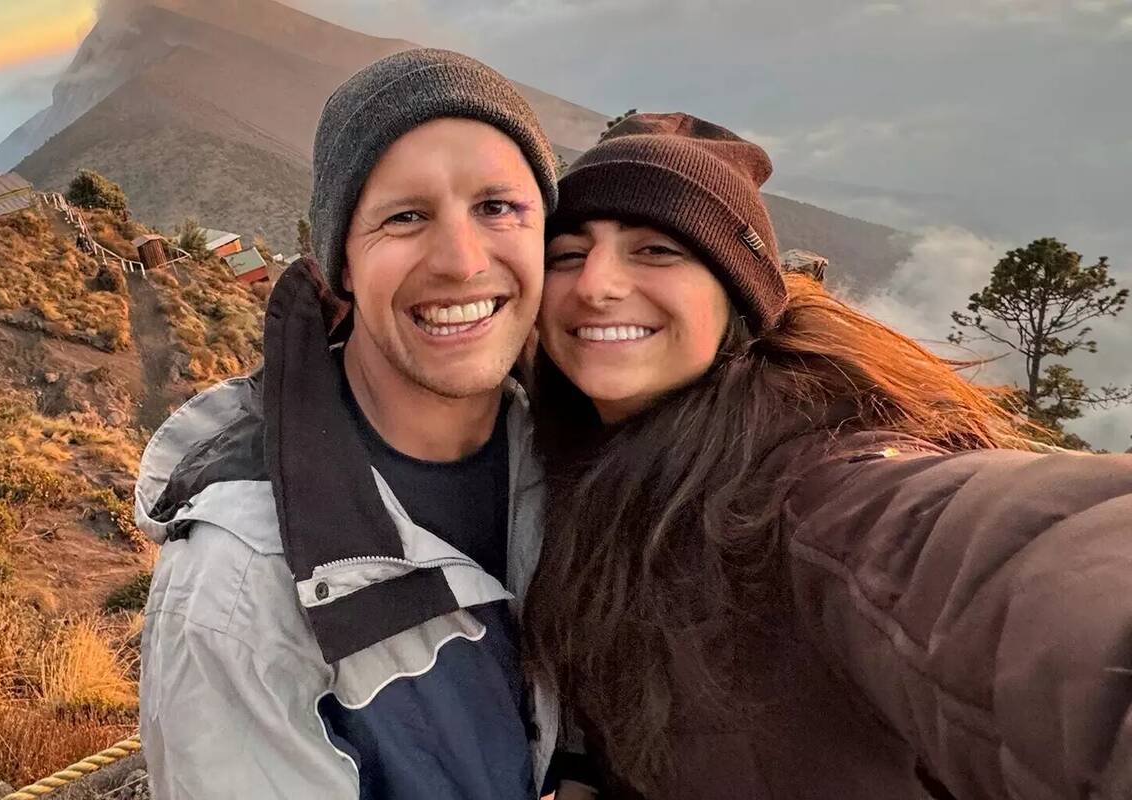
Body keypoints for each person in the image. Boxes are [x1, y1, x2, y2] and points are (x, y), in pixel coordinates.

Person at [525, 112, 1132, 799]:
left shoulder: (810, 492)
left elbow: (998, 563)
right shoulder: (585, 479)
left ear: (739, 296)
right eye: (566, 255)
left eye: (657, 251)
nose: (596, 284)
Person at [135, 48, 563, 799]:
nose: (463, 262)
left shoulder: (572, 464)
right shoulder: (240, 586)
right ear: (340, 266)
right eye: (405, 216)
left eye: (497, 207)